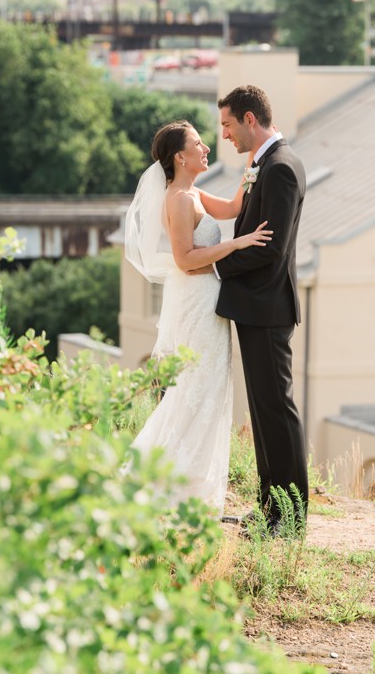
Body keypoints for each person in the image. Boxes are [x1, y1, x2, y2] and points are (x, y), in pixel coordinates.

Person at [124, 120, 272, 512]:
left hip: (210, 299)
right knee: (196, 389)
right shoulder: (178, 199)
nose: (206, 148)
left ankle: (190, 483)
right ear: (180, 156)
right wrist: (239, 244)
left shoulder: (193, 192)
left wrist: (254, 163)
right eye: (198, 144)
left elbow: (235, 206)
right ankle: (168, 480)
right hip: (196, 302)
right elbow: (185, 260)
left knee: (210, 387)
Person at [205, 85, 308, 537]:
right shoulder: (263, 164)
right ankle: (271, 509)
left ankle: (289, 519)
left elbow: (272, 248)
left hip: (267, 306)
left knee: (277, 413)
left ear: (249, 119)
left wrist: (214, 262)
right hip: (256, 307)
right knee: (265, 413)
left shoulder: (280, 167)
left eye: (227, 124)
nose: (224, 134)